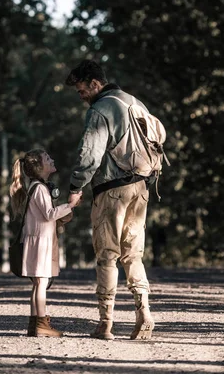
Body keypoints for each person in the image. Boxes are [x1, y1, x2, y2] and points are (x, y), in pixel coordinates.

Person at [65, 60, 155, 340]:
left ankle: (106, 323)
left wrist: (76, 186)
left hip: (111, 191)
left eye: (82, 90)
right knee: (133, 253)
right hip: (141, 188)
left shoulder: (99, 110)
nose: (81, 96)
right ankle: (144, 313)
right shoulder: (134, 103)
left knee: (107, 256)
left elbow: (89, 154)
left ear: (95, 84)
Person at [10, 149, 82, 337]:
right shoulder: (40, 189)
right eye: (48, 159)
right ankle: (41, 324)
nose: (52, 159)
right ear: (39, 167)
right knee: (41, 283)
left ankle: (35, 323)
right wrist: (71, 205)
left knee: (37, 285)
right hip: (40, 243)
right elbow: (49, 215)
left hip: (37, 241)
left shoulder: (37, 187)